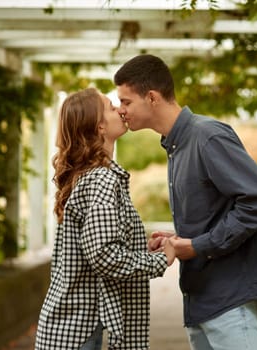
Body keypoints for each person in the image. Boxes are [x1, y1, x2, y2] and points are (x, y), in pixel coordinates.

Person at [114, 54, 257, 350]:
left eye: (126, 102)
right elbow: (217, 212)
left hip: (231, 301)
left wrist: (198, 245)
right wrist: (182, 239)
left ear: (152, 98)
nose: (121, 111)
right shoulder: (177, 146)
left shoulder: (207, 137)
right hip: (201, 302)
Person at [35, 87, 175, 350]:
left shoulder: (91, 176)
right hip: (78, 332)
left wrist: (139, 249)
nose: (120, 110)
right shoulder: (101, 179)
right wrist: (158, 261)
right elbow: (102, 254)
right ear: (99, 126)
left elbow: (92, 250)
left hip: (73, 329)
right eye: (112, 107)